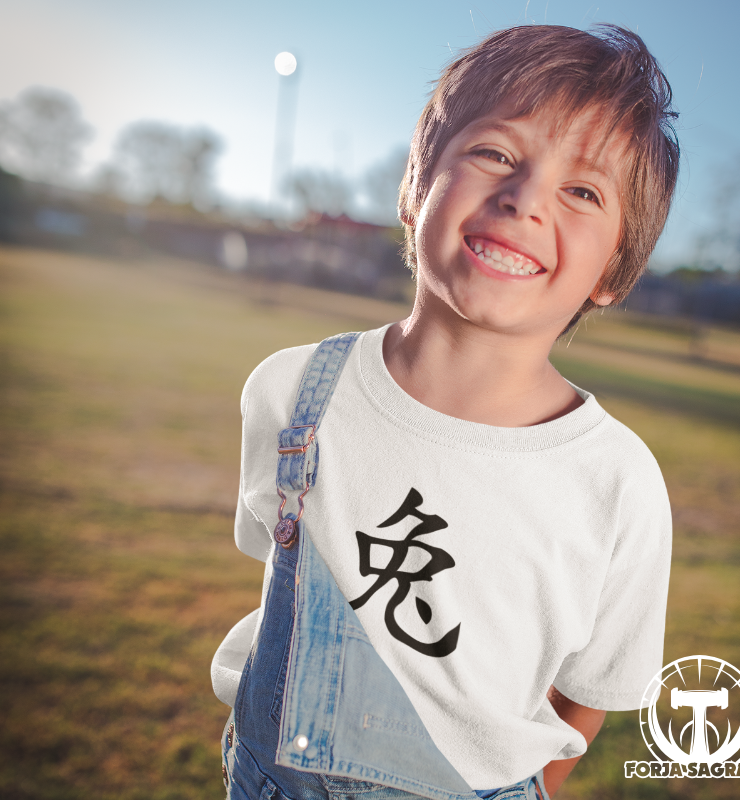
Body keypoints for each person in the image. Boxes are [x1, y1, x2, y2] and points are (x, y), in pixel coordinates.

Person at [212, 23, 679, 800]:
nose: (525, 200)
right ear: (415, 187)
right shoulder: (292, 388)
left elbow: (592, 691)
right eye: (496, 152)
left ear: (613, 273)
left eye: (582, 191)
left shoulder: (616, 479)